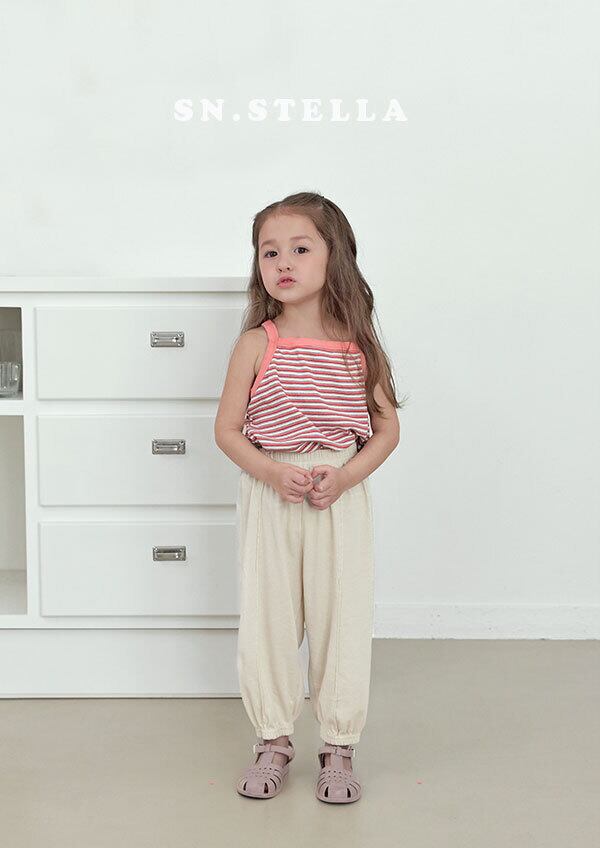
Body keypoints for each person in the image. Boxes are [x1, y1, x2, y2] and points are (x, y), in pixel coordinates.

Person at [214, 191, 404, 803]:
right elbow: (227, 430)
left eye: (300, 248)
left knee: (340, 618)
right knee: (268, 618)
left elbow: (387, 430)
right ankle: (272, 738)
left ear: (334, 256)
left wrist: (346, 477)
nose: (283, 262)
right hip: (272, 498)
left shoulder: (359, 345)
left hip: (338, 499)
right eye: (269, 252)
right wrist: (272, 473)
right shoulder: (256, 343)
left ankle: (339, 745)